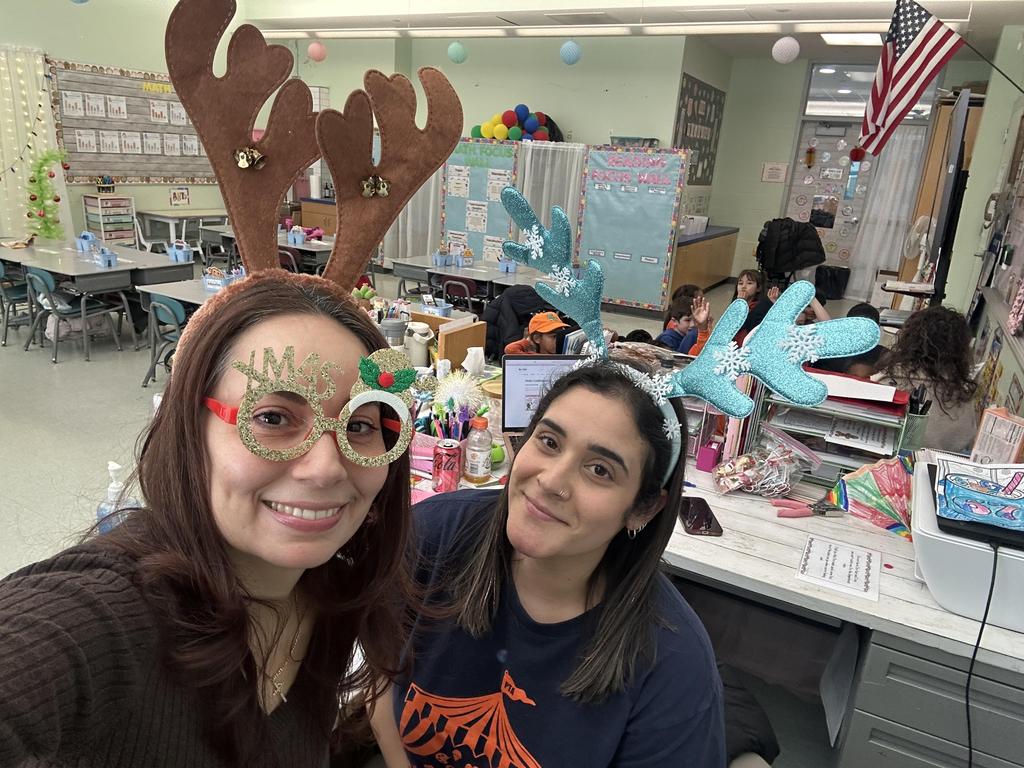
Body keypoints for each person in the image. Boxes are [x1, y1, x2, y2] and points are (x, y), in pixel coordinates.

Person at [0, 274, 416, 766]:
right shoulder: (107, 613)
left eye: (360, 424)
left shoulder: (334, 594)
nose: (326, 468)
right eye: (273, 418)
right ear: (189, 430)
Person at [370, 356, 726, 766]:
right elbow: (379, 678)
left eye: (600, 470)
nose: (551, 481)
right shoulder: (436, 534)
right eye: (550, 442)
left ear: (643, 508)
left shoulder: (673, 666)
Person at [872, 305, 979, 454]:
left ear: (909, 339)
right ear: (961, 351)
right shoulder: (963, 398)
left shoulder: (889, 381)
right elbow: (965, 439)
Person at [504, 310, 570, 355]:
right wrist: (527, 341)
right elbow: (510, 349)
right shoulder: (529, 358)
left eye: (561, 335)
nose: (559, 339)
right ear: (537, 338)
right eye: (554, 336)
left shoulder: (566, 352)